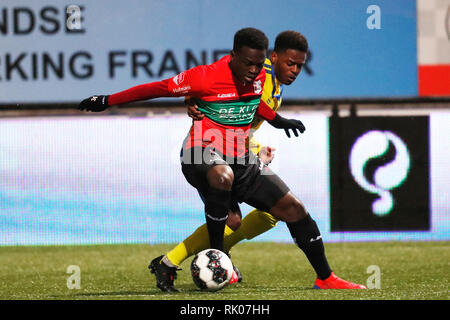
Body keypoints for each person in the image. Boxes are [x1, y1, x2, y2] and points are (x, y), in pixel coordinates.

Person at [79, 27, 366, 293]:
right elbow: (157, 88)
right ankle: (218, 256)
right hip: (199, 152)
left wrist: (278, 121)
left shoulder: (262, 77)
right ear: (233, 57)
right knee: (222, 176)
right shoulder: (205, 76)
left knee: (291, 209)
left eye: (258, 65)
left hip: (240, 156)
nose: (254, 71)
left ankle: (325, 277)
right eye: (249, 64)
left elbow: (257, 103)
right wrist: (108, 100)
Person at [158, 30, 309, 286]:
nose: (295, 70)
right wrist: (190, 98)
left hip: (239, 149)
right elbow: (215, 89)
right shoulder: (259, 77)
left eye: (299, 66)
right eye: (290, 63)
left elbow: (242, 121)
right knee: (235, 219)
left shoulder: (274, 87)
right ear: (273, 57)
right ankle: (173, 261)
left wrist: (256, 147)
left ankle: (217, 257)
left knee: (267, 215)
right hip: (212, 150)